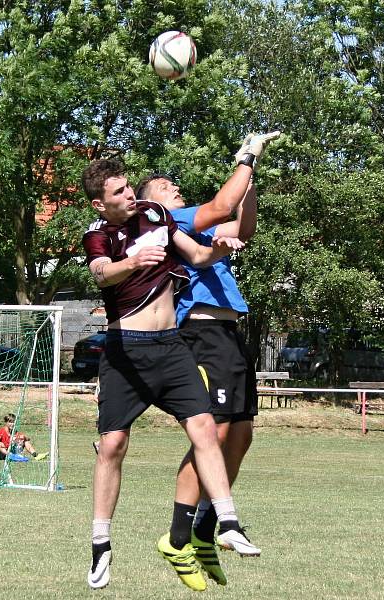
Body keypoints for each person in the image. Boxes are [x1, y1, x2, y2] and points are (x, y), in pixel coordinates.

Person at [81, 150, 266, 592]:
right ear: (100, 203)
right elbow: (101, 273)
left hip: (172, 347)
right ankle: (101, 543)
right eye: (119, 192)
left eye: (128, 187)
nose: (129, 195)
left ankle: (225, 521)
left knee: (207, 429)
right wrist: (132, 263)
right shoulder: (99, 232)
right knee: (113, 445)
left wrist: (215, 250)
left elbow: (199, 256)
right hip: (127, 349)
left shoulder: (158, 215)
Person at [133, 131, 280, 586]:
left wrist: (249, 186)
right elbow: (220, 206)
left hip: (229, 334)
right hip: (197, 333)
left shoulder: (193, 224)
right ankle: (179, 536)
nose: (171, 185)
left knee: (241, 433)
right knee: (210, 433)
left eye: (170, 182)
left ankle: (204, 527)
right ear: (147, 202)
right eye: (161, 183)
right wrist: (245, 162)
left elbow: (243, 227)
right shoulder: (164, 218)